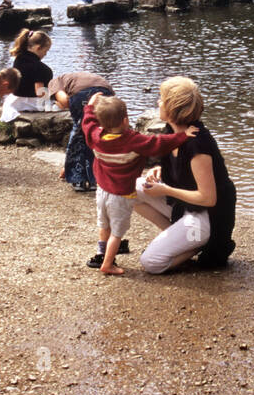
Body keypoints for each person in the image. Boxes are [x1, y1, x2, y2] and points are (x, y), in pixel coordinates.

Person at [81, 94, 198, 275]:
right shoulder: (133, 141)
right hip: (121, 195)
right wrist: (183, 136)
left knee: (104, 226)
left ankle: (101, 254)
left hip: (102, 191)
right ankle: (108, 264)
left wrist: (89, 107)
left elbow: (87, 123)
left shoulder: (95, 136)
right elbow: (159, 143)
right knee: (117, 233)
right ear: (126, 120)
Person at [133, 76, 237, 272]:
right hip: (186, 209)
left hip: (207, 217)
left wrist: (166, 189)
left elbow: (208, 198)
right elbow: (184, 169)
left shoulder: (198, 144)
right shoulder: (171, 132)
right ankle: (180, 237)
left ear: (173, 108)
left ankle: (197, 244)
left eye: (162, 99)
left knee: (151, 263)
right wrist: (161, 171)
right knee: (132, 188)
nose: (158, 102)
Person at [50, 71, 115, 190]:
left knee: (78, 133)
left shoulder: (54, 83)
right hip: (106, 92)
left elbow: (64, 101)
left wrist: (59, 103)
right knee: (98, 133)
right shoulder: (76, 77)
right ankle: (95, 179)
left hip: (81, 95)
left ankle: (78, 179)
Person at [0, 29, 56, 122]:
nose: (45, 54)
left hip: (16, 100)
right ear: (38, 48)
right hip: (32, 103)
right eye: (46, 51)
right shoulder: (42, 68)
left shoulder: (18, 59)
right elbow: (39, 92)